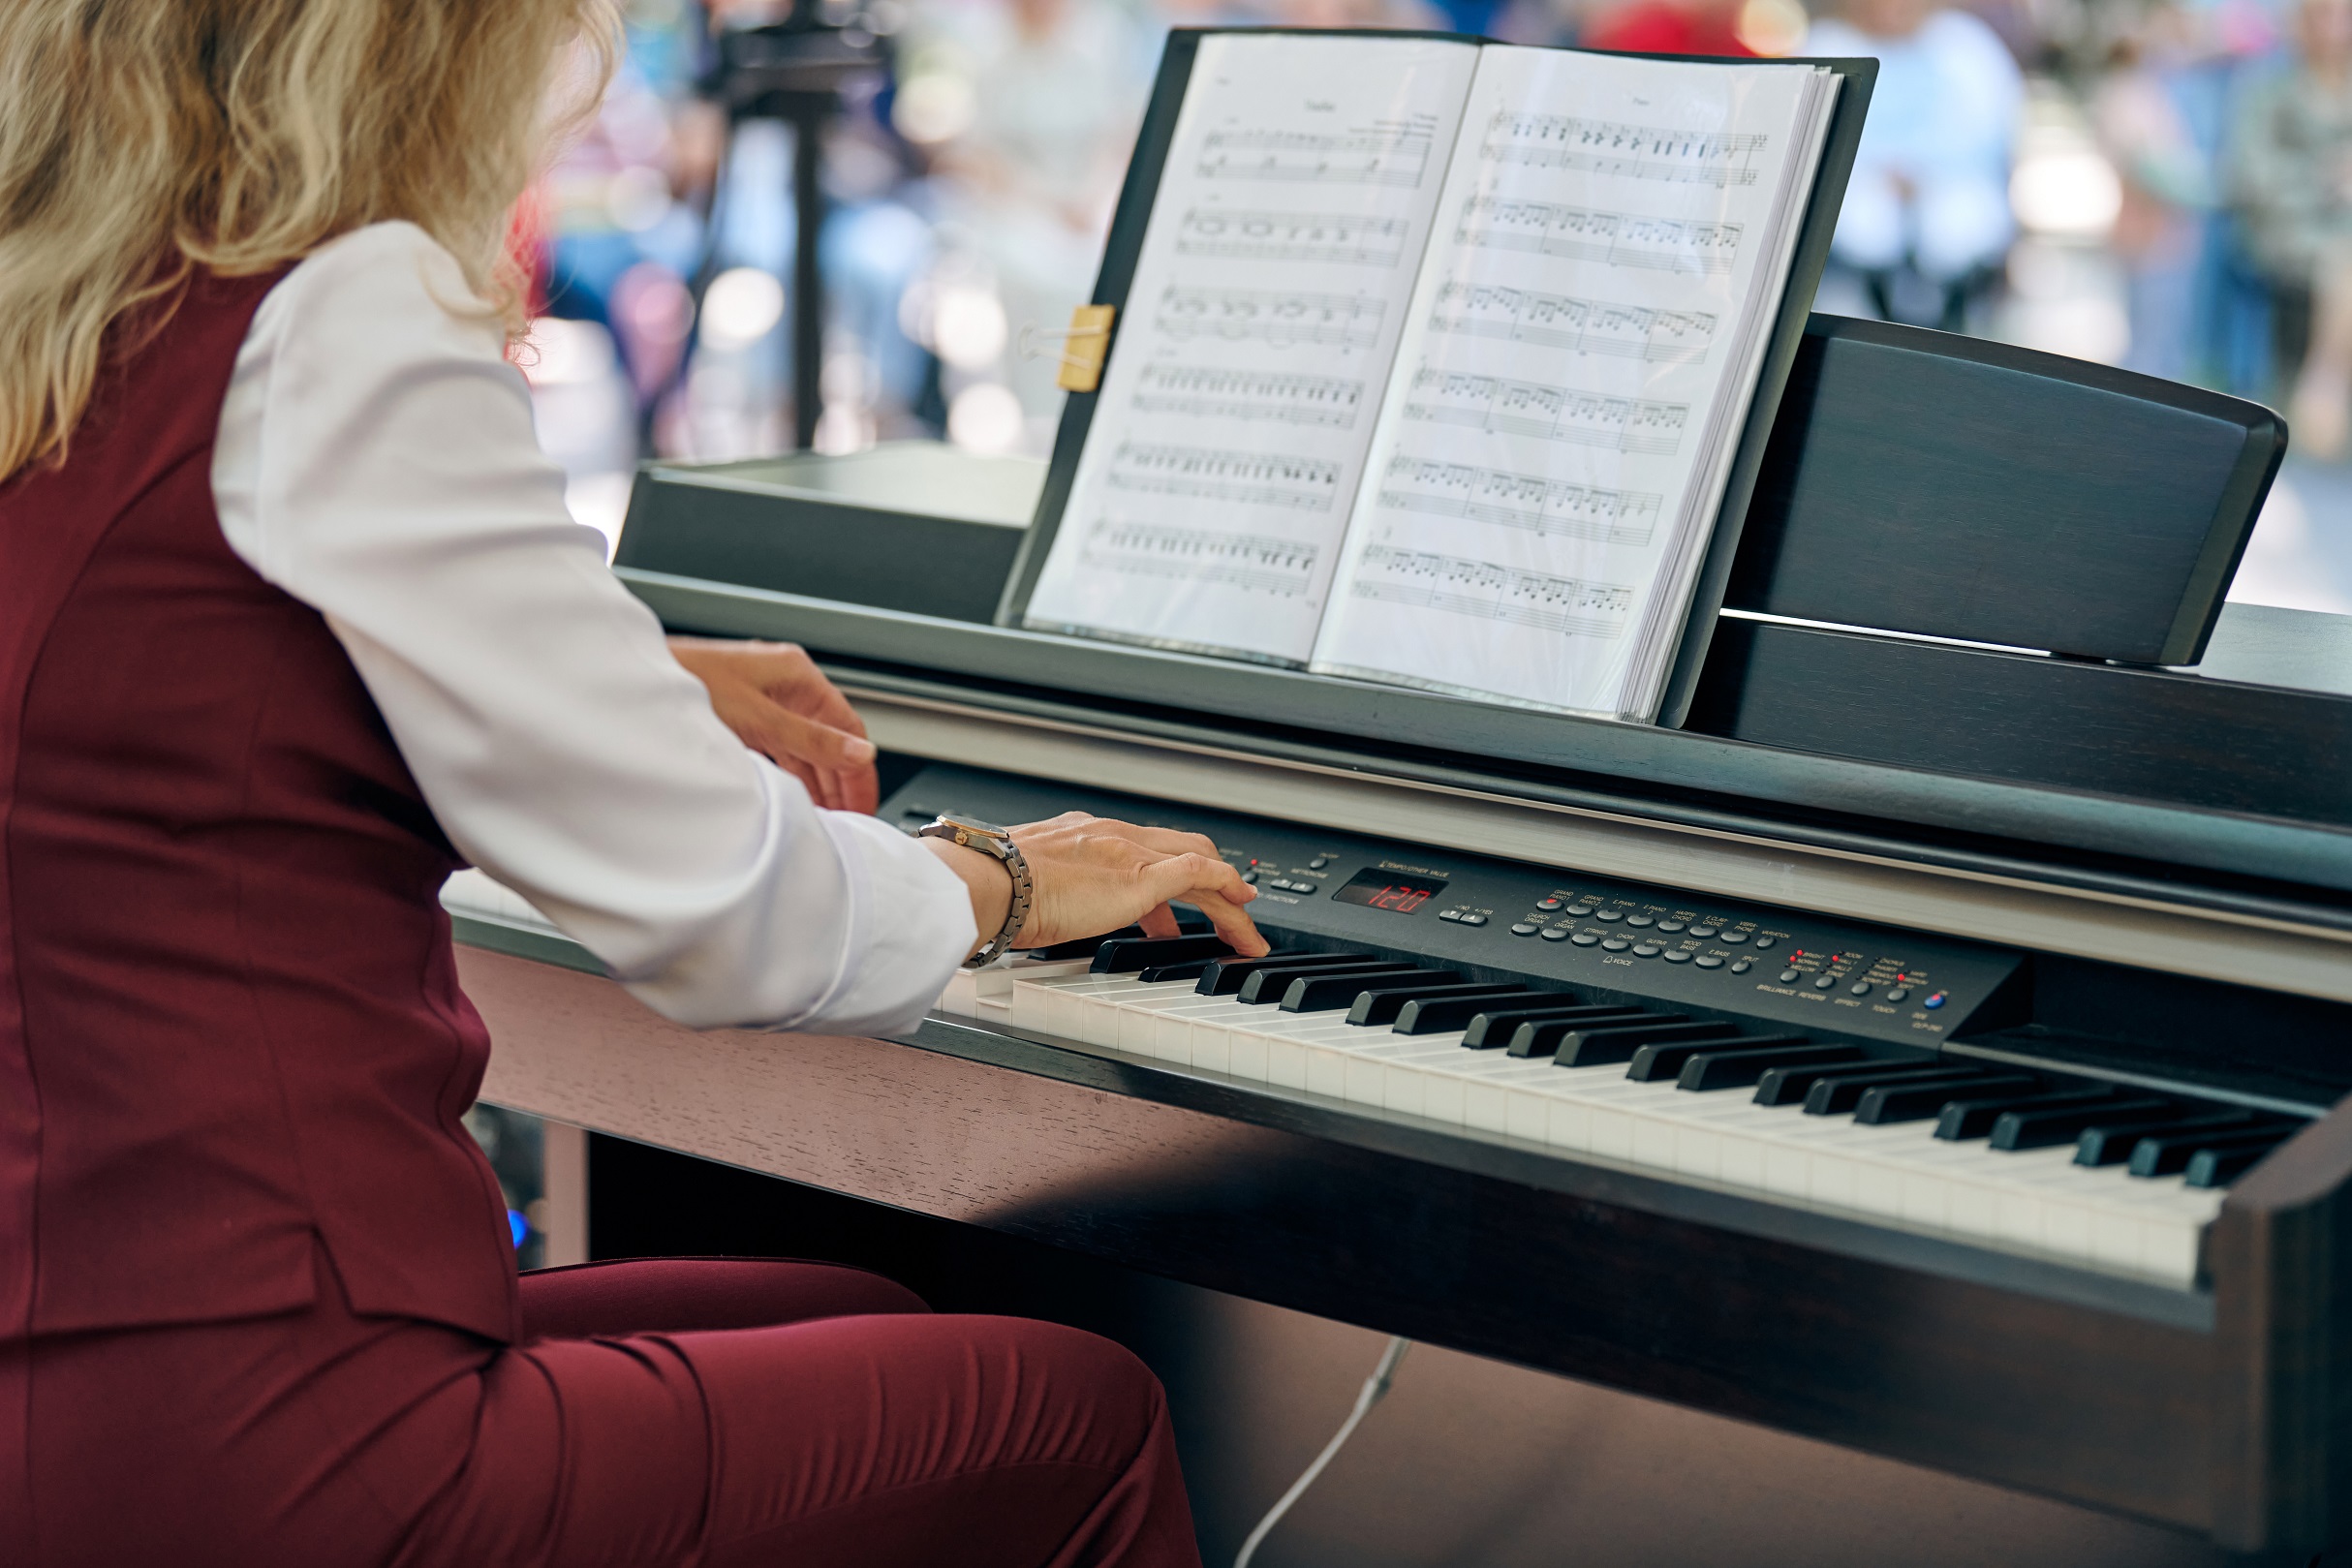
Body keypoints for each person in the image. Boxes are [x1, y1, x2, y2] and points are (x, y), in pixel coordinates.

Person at [0, 2, 1269, 1564]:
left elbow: (171, 672)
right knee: (1075, 1421)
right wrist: (1003, 875)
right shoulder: (334, 312)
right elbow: (735, 911)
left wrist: (632, 669)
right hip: (278, 1427)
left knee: (857, 1312)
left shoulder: (73, 305)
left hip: (65, 1365)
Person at [1806, 0, 2023, 330]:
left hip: (1951, 203)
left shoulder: (1968, 49)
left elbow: (1993, 145)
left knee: (1961, 220)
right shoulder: (1823, 47)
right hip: (1854, 219)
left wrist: (1925, 178)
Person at [2229, 0, 2352, 455]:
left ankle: (2324, 382)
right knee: (2342, 261)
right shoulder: (2269, 87)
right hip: (2286, 228)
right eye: (2325, 15)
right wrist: (2325, 180)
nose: (2336, 28)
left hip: (2343, 231)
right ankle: (2328, 383)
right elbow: (2249, 175)